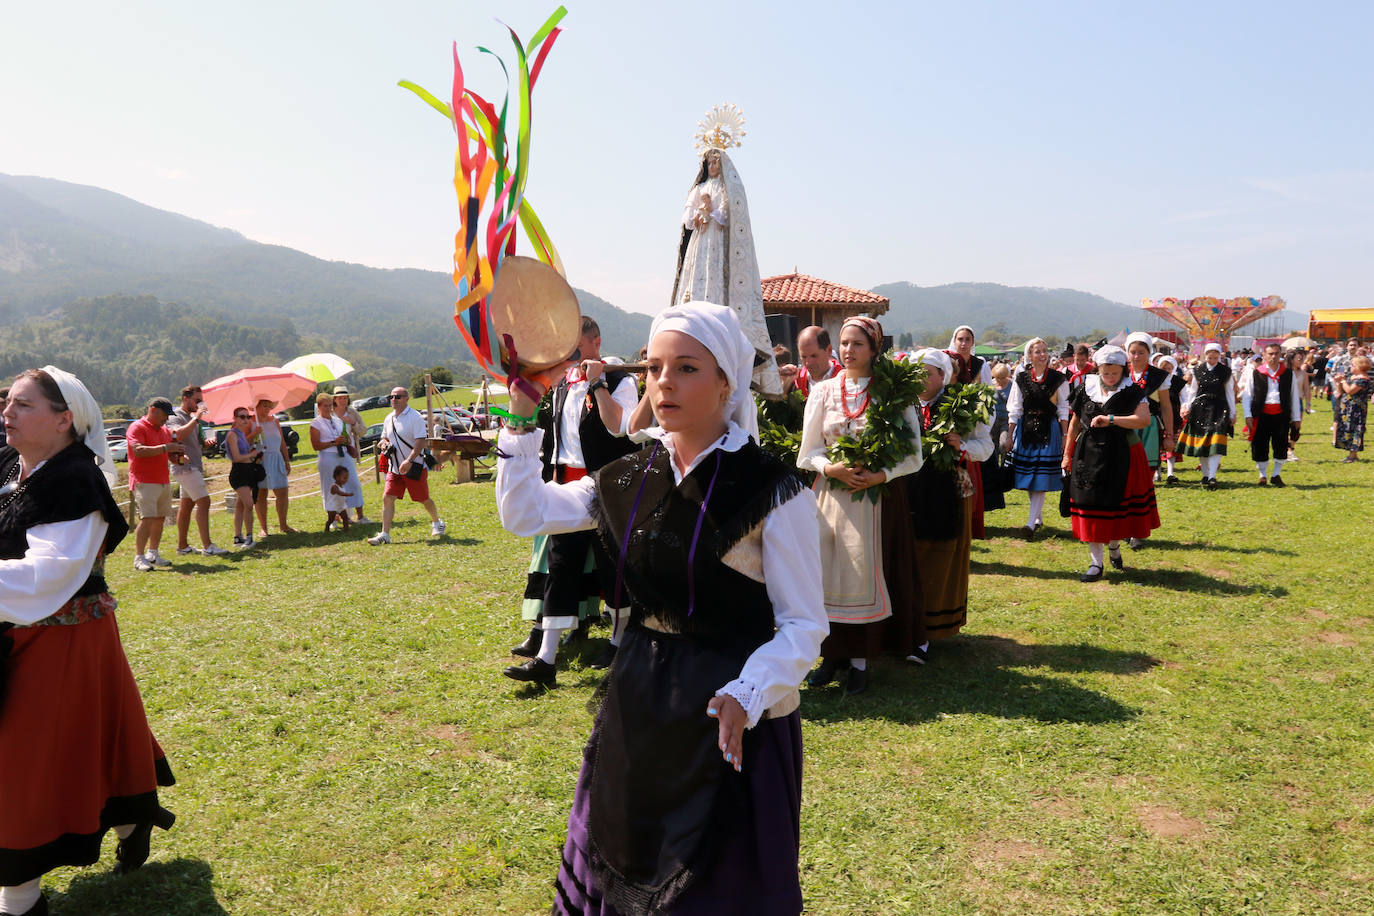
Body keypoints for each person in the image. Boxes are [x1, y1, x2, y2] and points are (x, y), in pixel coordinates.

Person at [495, 301, 825, 915]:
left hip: (730, 716)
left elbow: (805, 625)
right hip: (641, 697)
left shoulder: (771, 490)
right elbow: (525, 513)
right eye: (653, 367)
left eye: (686, 368)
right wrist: (519, 418)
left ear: (727, 380)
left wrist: (747, 693)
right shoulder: (627, 478)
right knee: (626, 853)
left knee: (710, 888)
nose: (663, 382)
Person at [0, 367, 175, 916]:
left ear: (64, 419)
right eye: (7, 402)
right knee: (76, 745)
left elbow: (50, 577)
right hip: (16, 635)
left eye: (22, 405)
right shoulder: (10, 464)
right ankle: (129, 819)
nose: (7, 412)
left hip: (64, 640)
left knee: (27, 759)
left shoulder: (76, 478)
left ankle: (19, 895)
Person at [508, 316, 640, 683]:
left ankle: (619, 639)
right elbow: (559, 434)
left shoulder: (620, 379)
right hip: (565, 481)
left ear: (596, 342)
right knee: (560, 564)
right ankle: (546, 659)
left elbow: (626, 428)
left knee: (612, 564)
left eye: (577, 347)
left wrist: (599, 381)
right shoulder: (563, 382)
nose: (570, 356)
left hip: (607, 484)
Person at [797, 316, 923, 694]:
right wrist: (830, 467)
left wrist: (879, 476)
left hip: (875, 501)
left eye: (858, 344)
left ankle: (860, 662)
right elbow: (807, 452)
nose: (848, 351)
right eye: (844, 343)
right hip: (831, 496)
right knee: (826, 573)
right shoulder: (823, 392)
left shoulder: (892, 393)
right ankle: (830, 655)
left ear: (874, 350)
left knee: (863, 574)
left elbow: (914, 454)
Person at [670, 143, 781, 396]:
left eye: (716, 162)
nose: (712, 166)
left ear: (723, 165)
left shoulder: (729, 189)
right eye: (708, 163)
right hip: (700, 244)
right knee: (695, 283)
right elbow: (688, 221)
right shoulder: (698, 189)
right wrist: (699, 216)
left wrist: (714, 212)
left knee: (719, 282)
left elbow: (732, 218)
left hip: (720, 245)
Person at [906, 348, 993, 650]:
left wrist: (961, 446)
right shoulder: (903, 404)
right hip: (909, 489)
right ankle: (905, 625)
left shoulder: (962, 405)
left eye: (927, 373)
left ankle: (929, 630)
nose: (920, 380)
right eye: (915, 373)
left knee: (938, 557)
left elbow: (986, 446)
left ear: (942, 376)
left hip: (948, 492)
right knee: (907, 555)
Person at [1061, 346, 1160, 581]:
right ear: (1099, 369)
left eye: (1115, 373)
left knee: (1116, 506)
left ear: (1123, 371)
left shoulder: (1133, 390)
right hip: (1089, 454)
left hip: (1123, 453)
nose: (1111, 378)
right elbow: (1074, 424)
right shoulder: (1086, 387)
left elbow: (1143, 419)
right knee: (1091, 505)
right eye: (1106, 373)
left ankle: (1114, 546)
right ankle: (1096, 564)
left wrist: (1112, 419)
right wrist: (1067, 454)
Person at [1005, 338, 1069, 538]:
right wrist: (1009, 434)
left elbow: (1063, 410)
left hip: (1049, 431)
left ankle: (1030, 523)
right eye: (1038, 352)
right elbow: (1014, 408)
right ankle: (1038, 516)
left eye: (1045, 351)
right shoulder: (1021, 378)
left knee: (1040, 476)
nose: (1043, 355)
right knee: (1030, 475)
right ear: (1029, 356)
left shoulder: (1059, 379)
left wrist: (1066, 435)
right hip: (1026, 429)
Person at [368, 388, 444, 545]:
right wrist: (384, 444)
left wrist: (409, 461)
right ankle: (385, 534)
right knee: (387, 498)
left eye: (398, 397)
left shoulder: (414, 417)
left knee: (423, 499)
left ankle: (437, 522)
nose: (394, 399)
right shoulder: (388, 418)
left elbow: (420, 441)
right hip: (394, 468)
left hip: (414, 467)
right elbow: (384, 437)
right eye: (391, 396)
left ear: (407, 398)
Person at [945, 326, 1000, 531]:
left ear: (972, 342)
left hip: (971, 425)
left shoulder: (980, 364)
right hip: (949, 418)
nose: (964, 343)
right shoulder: (947, 360)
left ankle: (970, 520)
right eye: (960, 339)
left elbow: (988, 396)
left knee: (971, 470)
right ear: (955, 340)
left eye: (968, 339)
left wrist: (985, 426)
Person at [125, 397, 185, 571]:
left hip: (162, 480)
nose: (166, 419)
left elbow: (169, 455)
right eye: (165, 415)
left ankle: (153, 553)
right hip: (144, 480)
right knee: (148, 518)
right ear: (153, 410)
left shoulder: (164, 430)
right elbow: (139, 451)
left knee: (160, 518)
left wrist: (178, 458)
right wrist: (167, 448)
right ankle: (139, 557)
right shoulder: (137, 427)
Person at [169, 385, 229, 556]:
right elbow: (177, 435)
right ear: (185, 399)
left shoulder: (191, 418)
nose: (199, 404)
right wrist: (197, 418)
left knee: (186, 505)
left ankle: (183, 547)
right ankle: (208, 546)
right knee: (204, 502)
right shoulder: (176, 416)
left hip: (193, 465)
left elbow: (193, 441)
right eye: (197, 400)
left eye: (201, 401)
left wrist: (205, 442)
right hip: (185, 467)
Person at [1241, 343, 1303, 487]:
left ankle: (1276, 474)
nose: (1273, 357)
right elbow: (1247, 395)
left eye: (1276, 353)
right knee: (1260, 444)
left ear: (1281, 355)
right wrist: (1248, 415)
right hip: (1261, 414)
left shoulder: (1288, 373)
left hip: (1281, 414)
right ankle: (1262, 474)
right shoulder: (1256, 372)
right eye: (1270, 354)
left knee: (1280, 443)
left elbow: (1294, 396)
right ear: (1264, 355)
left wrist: (1296, 418)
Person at [311, 393, 361, 532]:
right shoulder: (316, 423)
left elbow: (346, 437)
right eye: (325, 406)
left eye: (330, 405)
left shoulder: (338, 420)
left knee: (351, 483)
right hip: (327, 457)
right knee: (330, 489)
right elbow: (315, 445)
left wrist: (347, 441)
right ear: (319, 407)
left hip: (343, 455)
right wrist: (334, 442)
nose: (328, 408)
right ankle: (332, 518)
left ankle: (352, 515)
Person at [253, 398, 298, 537]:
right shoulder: (251, 423)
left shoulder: (275, 421)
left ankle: (283, 525)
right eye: (264, 406)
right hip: (261, 460)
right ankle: (264, 529)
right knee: (261, 494)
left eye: (269, 406)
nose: (267, 409)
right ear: (257, 407)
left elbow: (282, 442)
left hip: (277, 458)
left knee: (283, 492)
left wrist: (286, 460)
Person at [225, 407, 264, 547]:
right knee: (248, 504)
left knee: (240, 505)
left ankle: (237, 536)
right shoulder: (232, 435)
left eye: (248, 417)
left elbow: (245, 452)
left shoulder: (241, 434)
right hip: (239, 473)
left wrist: (255, 454)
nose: (246, 420)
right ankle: (249, 536)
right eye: (242, 417)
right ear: (234, 418)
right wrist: (251, 455)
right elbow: (236, 457)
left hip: (248, 471)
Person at [332, 387, 370, 525]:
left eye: (345, 397)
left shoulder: (352, 412)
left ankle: (360, 516)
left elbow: (363, 431)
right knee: (335, 485)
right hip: (332, 453)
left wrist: (353, 423)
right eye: (340, 398)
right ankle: (337, 517)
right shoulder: (328, 413)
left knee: (353, 483)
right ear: (334, 399)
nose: (343, 400)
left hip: (348, 453)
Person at [1333, 355, 1373, 461]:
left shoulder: (1363, 379)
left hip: (1357, 409)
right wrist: (1337, 381)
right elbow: (1342, 391)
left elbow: (1350, 390)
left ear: (1359, 366)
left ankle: (1353, 454)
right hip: (1347, 408)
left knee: (1355, 429)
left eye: (1352, 365)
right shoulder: (1351, 377)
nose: (1350, 366)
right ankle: (1352, 454)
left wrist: (1343, 381)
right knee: (1347, 428)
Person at [789, 326, 842, 397]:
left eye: (814, 356)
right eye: (804, 357)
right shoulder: (794, 382)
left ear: (829, 350)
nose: (808, 363)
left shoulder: (845, 381)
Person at [325, 464, 354, 531]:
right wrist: (348, 495)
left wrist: (345, 500)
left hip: (340, 506)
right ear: (337, 477)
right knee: (331, 519)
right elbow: (340, 493)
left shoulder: (342, 486)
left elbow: (341, 497)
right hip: (332, 507)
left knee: (345, 518)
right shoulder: (334, 487)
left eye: (347, 478)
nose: (346, 480)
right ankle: (327, 527)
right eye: (344, 478)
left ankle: (346, 530)